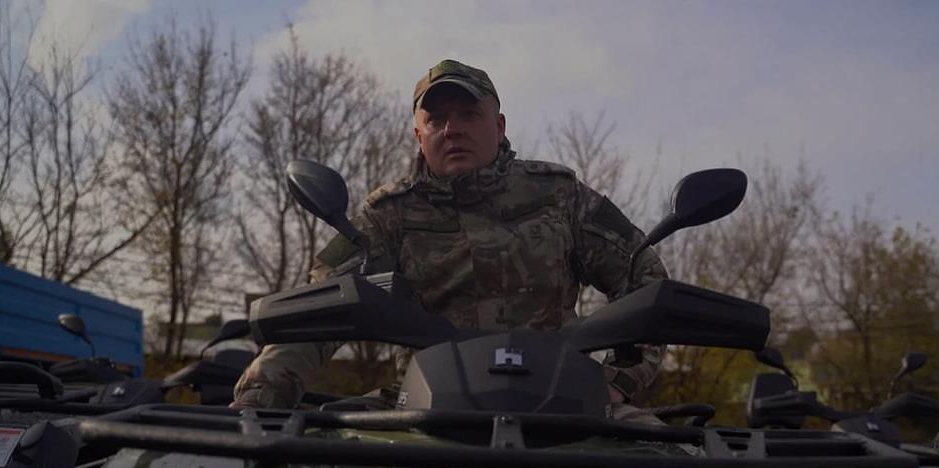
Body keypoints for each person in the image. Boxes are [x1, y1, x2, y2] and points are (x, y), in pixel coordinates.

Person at [232, 59, 668, 416]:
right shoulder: (387, 215)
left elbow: (643, 280)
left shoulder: (560, 195)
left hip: (566, 400)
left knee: (663, 467)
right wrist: (257, 401)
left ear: (499, 126)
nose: (451, 129)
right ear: (419, 136)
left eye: (468, 115)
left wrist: (617, 382)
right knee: (321, 461)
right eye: (436, 119)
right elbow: (321, 309)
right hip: (425, 404)